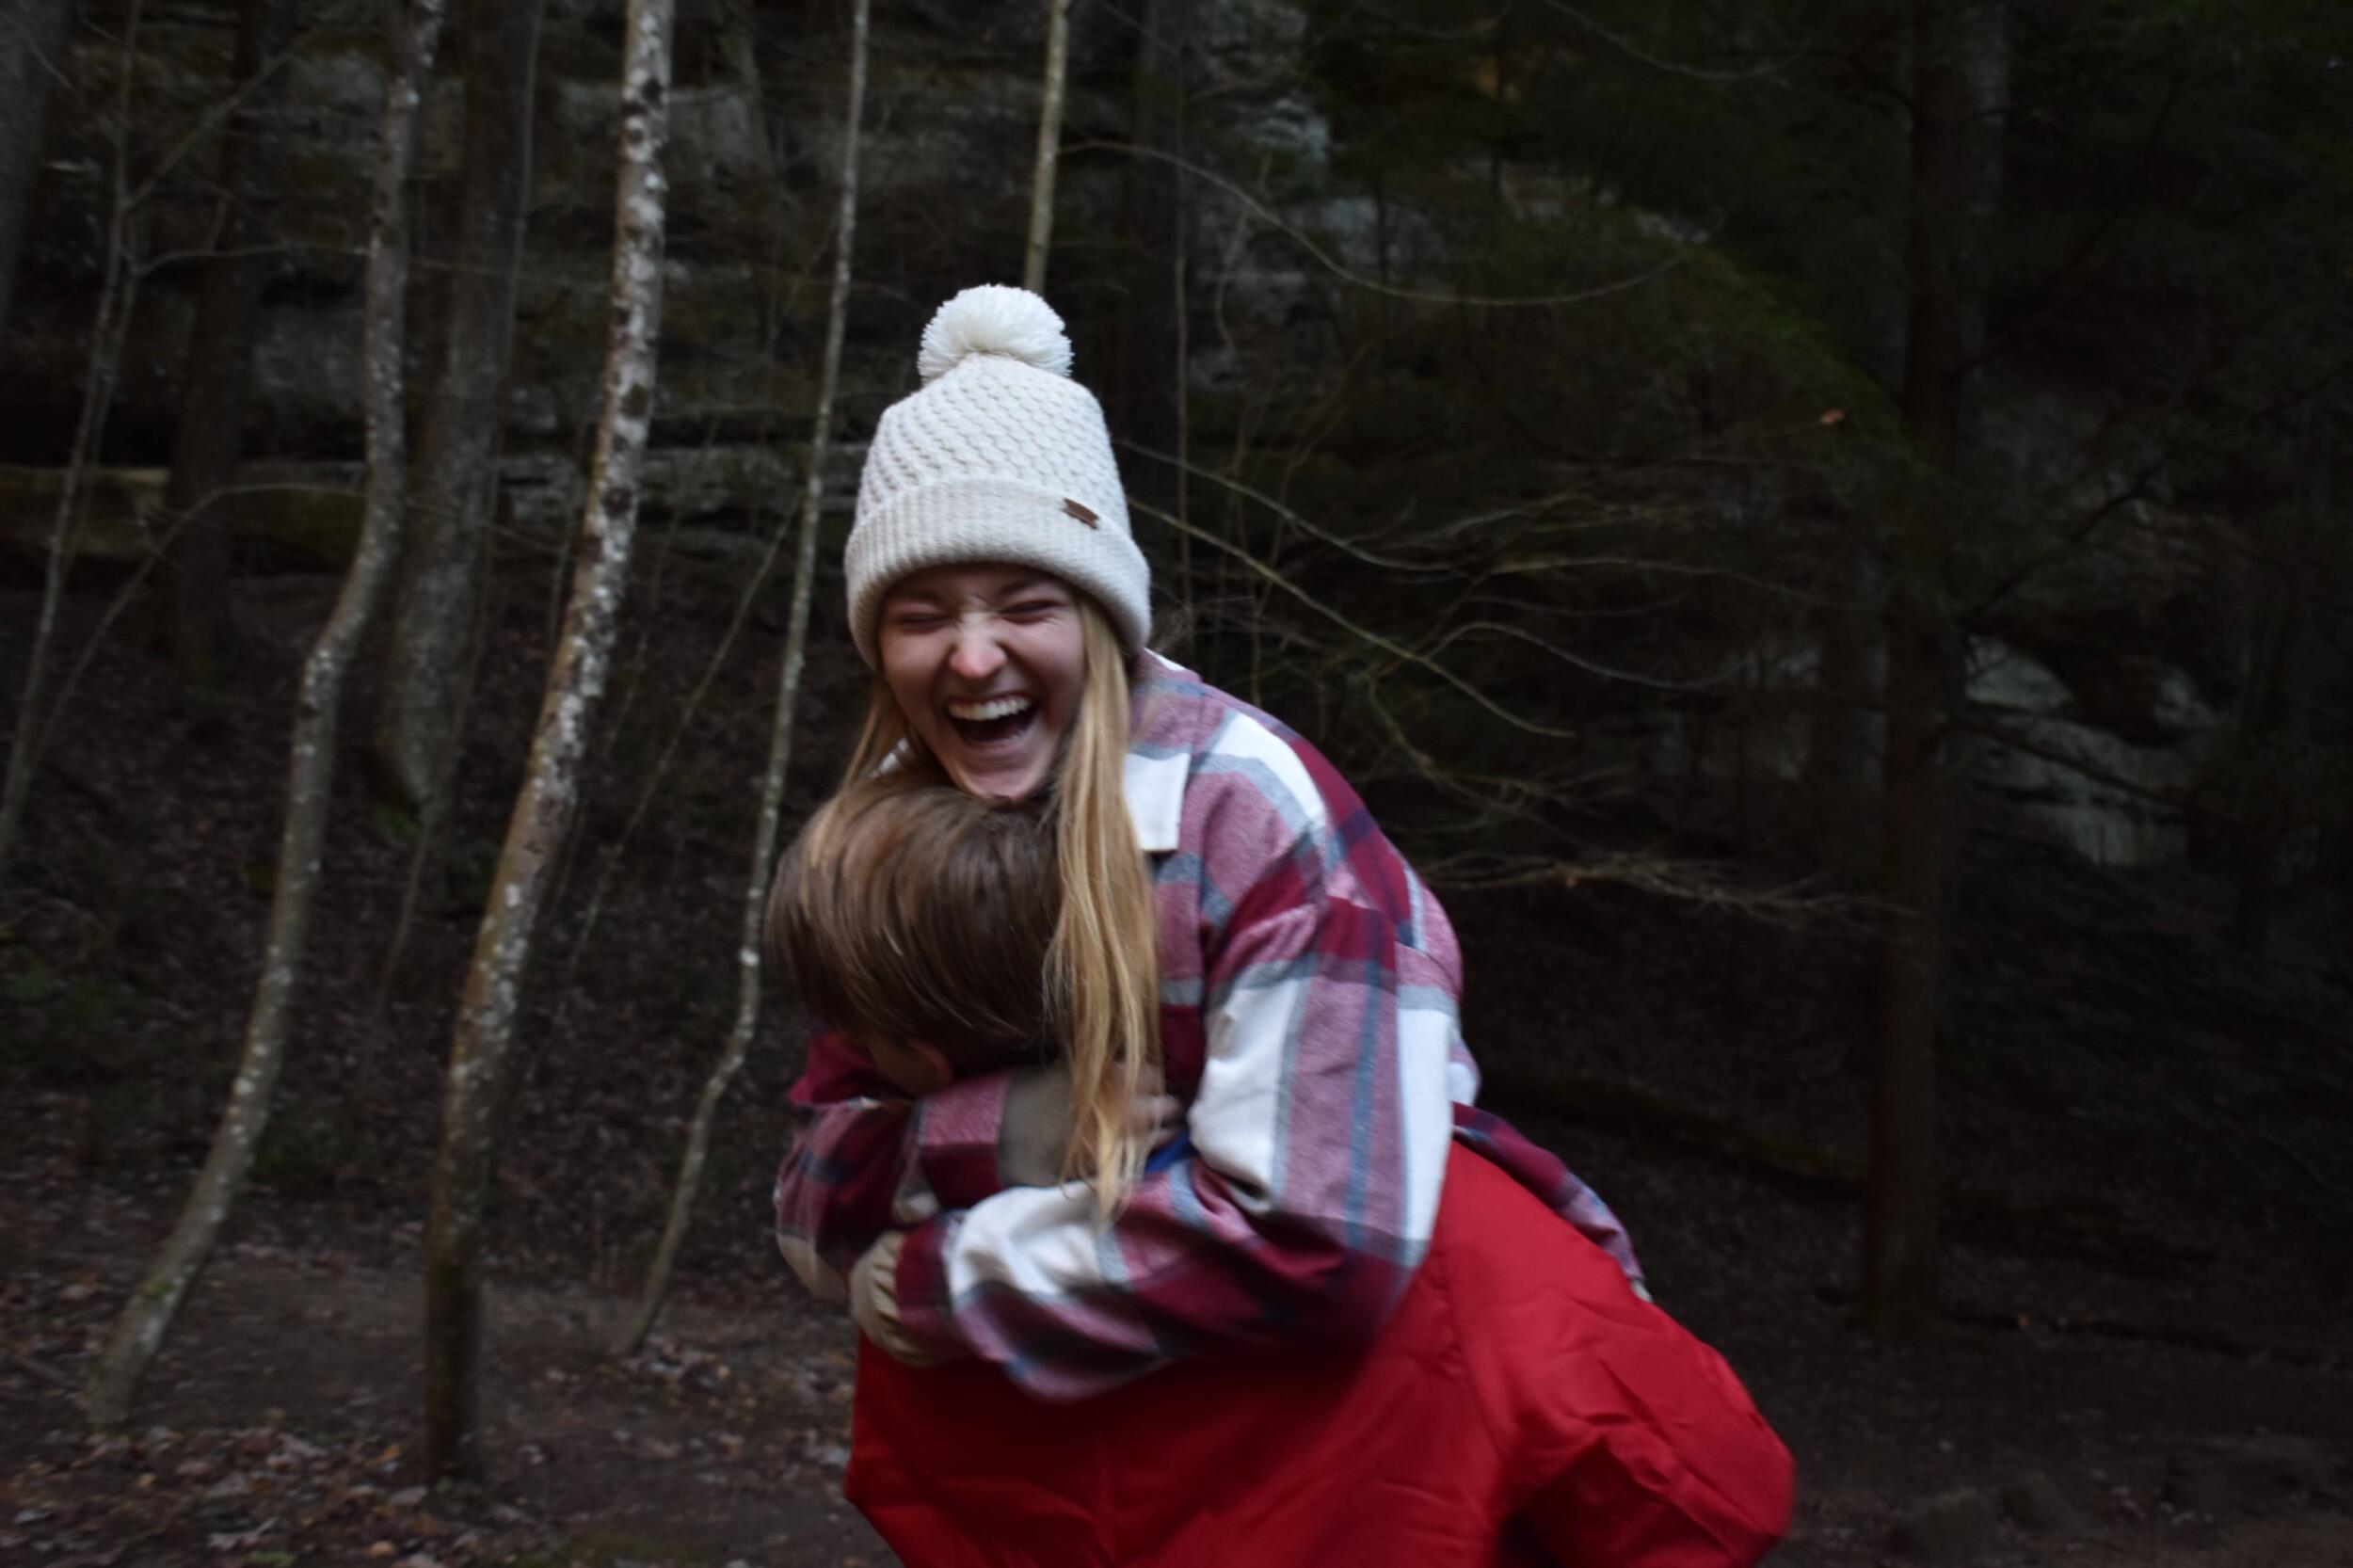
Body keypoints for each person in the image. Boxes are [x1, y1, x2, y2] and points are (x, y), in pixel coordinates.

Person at [770, 284, 1792, 1566]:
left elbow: (1323, 1237)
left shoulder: (1255, 813)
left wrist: (943, 1276)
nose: (972, 658)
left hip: (1372, 1398)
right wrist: (1001, 1132)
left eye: (1022, 602)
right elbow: (813, 1193)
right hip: (1125, 1432)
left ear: (1097, 610)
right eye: (923, 615)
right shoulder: (884, 826)